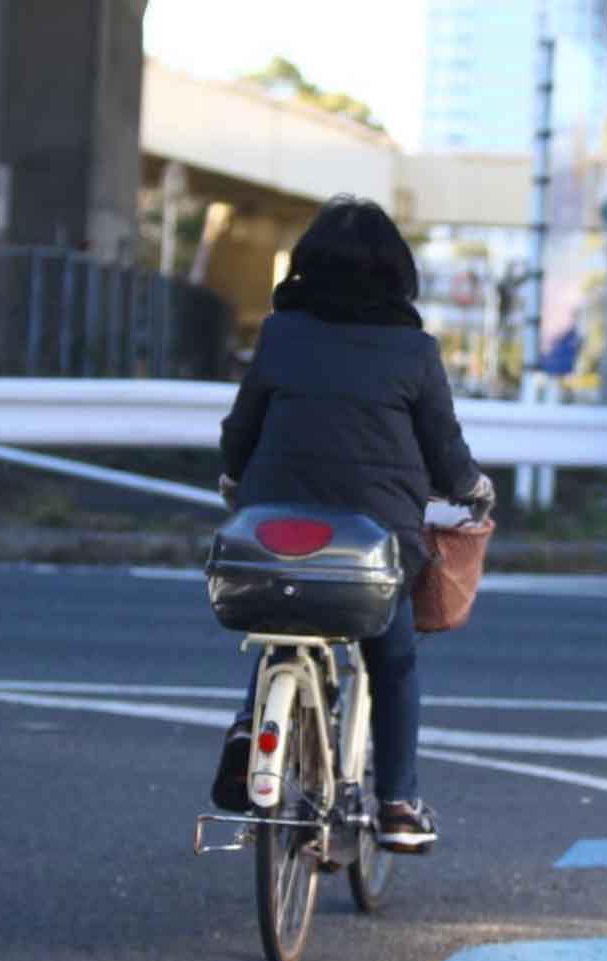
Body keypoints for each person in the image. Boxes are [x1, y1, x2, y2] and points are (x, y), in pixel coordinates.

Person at [210, 195, 494, 854]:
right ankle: (396, 803)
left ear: (306, 268)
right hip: (373, 548)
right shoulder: (413, 351)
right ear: (397, 274)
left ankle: (251, 730)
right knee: (392, 661)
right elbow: (446, 458)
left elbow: (241, 432)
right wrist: (474, 491)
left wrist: (235, 477)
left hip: (270, 532)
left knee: (281, 614)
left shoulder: (280, 335)